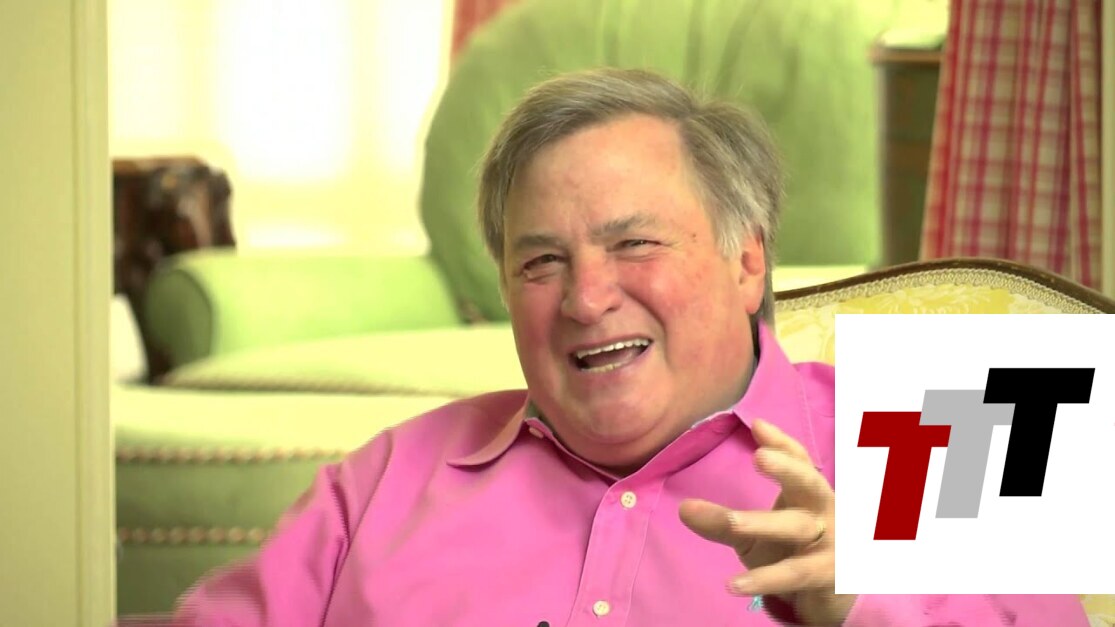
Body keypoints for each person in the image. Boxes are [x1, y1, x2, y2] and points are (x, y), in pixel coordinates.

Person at [172, 68, 1089, 626]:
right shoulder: (386, 478)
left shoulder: (958, 419)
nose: (586, 298)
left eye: (634, 243)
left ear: (745, 258)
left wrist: (866, 602)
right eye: (541, 261)